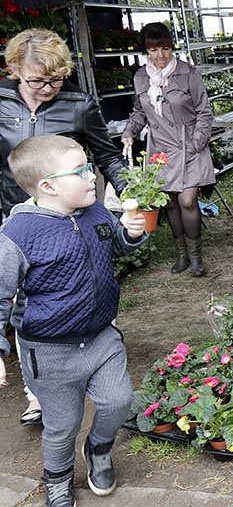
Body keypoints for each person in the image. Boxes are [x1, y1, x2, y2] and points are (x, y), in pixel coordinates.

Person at [0, 135, 147, 507]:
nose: (91, 176)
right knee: (62, 425)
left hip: (101, 337)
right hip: (50, 352)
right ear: (48, 187)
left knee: (119, 401)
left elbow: (113, 244)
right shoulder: (17, 235)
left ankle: (98, 449)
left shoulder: (94, 209)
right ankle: (58, 481)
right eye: (80, 170)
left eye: (90, 166)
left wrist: (129, 234)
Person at [0, 27, 130, 428]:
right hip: (12, 216)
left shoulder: (78, 104)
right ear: (15, 70)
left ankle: (90, 358)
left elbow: (107, 156)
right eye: (39, 79)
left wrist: (129, 192)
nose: (49, 88)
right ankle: (37, 391)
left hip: (65, 218)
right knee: (20, 299)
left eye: (57, 79)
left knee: (61, 289)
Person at [121, 22, 216, 277]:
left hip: (190, 146)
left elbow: (205, 113)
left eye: (165, 48)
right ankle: (182, 255)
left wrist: (196, 143)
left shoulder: (188, 74)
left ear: (172, 47)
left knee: (187, 200)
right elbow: (140, 111)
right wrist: (129, 132)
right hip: (160, 147)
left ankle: (196, 257)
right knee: (171, 204)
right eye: (153, 50)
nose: (160, 55)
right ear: (146, 51)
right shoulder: (141, 77)